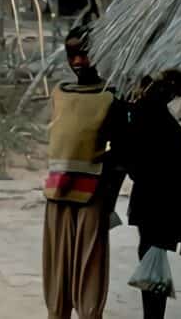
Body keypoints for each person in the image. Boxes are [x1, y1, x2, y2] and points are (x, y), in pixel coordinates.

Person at [42, 26, 126, 319]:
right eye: (72, 55)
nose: (78, 61)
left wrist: (109, 201)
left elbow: (120, 156)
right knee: (57, 269)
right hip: (56, 191)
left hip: (92, 194)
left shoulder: (111, 98)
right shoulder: (60, 93)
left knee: (89, 269)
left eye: (84, 54)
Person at [115, 88, 181, 319]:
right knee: (153, 264)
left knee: (151, 265)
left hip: (156, 211)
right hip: (169, 212)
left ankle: (153, 316)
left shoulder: (146, 126)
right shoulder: (173, 131)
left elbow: (129, 162)